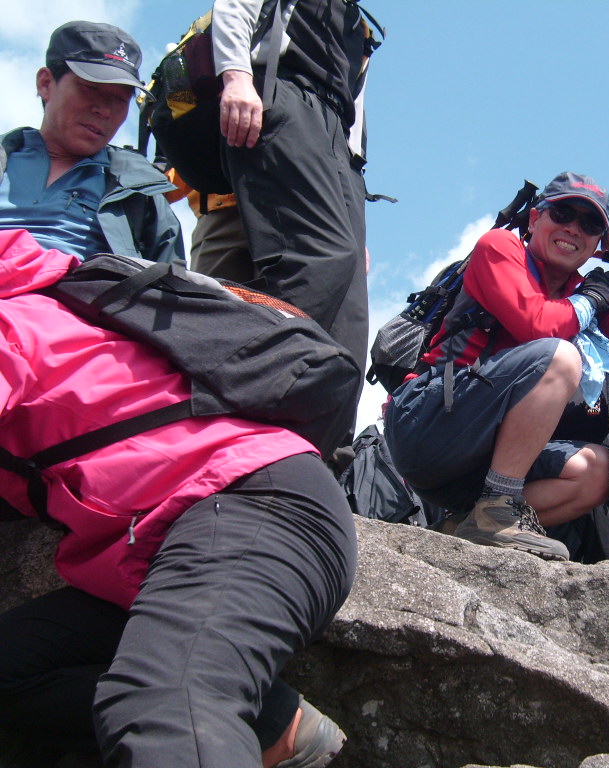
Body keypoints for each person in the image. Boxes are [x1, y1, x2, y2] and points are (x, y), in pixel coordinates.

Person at [0, 228, 356, 767]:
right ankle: (272, 725)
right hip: (158, 562)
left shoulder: (20, 320)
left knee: (163, 701)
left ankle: (210, 719)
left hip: (256, 501)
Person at [384, 172, 609, 562]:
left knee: (599, 471)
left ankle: (469, 525)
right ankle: (496, 511)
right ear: (536, 219)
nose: (573, 228)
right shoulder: (500, 247)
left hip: (478, 467)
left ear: (597, 246)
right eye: (562, 214)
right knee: (561, 357)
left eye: (589, 225)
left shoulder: (578, 299)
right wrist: (591, 301)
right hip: (430, 423)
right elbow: (537, 323)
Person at [210, 0, 377, 453]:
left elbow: (353, 108)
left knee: (352, 309)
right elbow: (234, 7)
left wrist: (352, 213)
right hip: (284, 97)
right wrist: (237, 76)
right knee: (320, 262)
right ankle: (240, 412)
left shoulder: (355, 22)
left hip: (339, 145)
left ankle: (323, 456)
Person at [0, 21, 184, 264]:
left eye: (120, 100)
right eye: (90, 89)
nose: (104, 110)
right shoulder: (7, 159)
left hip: (78, 299)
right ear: (46, 83)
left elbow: (170, 286)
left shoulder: (141, 192)